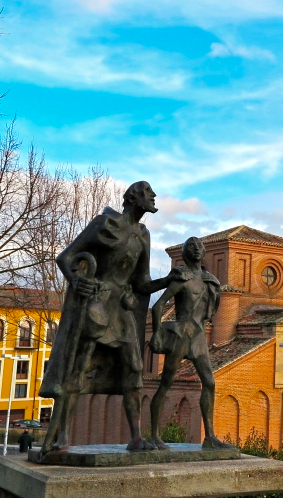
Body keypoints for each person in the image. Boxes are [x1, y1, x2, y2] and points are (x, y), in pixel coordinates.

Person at [39, 181, 186, 454]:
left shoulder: (143, 234)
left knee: (134, 367)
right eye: (147, 192)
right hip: (96, 304)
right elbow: (66, 257)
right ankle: (62, 437)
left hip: (121, 309)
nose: (153, 196)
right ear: (133, 198)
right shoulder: (104, 224)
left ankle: (135, 438)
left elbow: (141, 283)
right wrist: (76, 280)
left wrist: (167, 280)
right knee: (79, 368)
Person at [148, 237, 231, 450]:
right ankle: (154, 436)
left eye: (200, 246)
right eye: (191, 246)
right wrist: (157, 334)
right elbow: (158, 306)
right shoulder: (181, 278)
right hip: (181, 335)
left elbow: (212, 310)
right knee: (165, 384)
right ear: (185, 253)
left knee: (210, 383)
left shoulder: (210, 280)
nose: (196, 249)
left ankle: (210, 436)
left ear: (204, 252)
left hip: (199, 337)